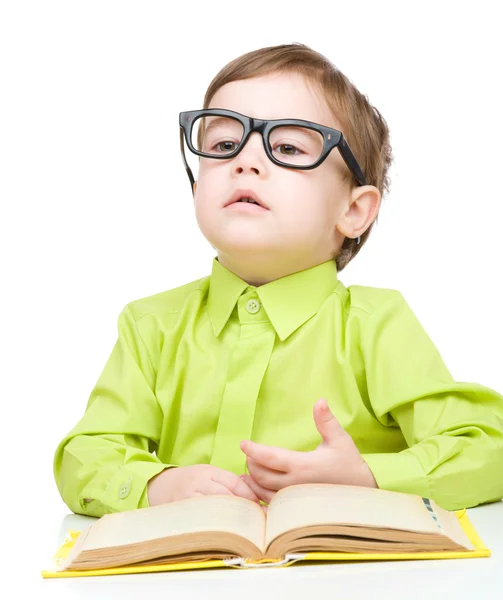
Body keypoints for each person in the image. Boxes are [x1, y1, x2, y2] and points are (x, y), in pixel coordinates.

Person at [54, 43, 503, 517]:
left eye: (288, 147)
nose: (245, 162)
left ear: (353, 210)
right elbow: (84, 456)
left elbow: (488, 447)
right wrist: (156, 485)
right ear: (196, 186)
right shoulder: (150, 326)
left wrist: (368, 478)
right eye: (225, 145)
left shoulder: (377, 325)